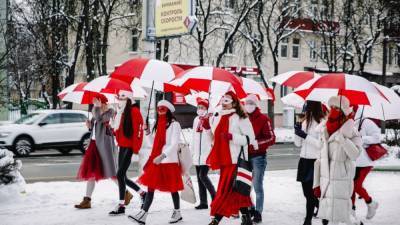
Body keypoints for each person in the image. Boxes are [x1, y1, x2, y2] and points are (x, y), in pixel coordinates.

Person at [129, 100, 184, 224]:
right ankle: (143, 214)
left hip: (169, 160)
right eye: (158, 108)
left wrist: (162, 155)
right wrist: (147, 132)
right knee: (151, 188)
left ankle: (177, 212)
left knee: (173, 188)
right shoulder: (158, 123)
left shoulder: (175, 124)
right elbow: (153, 143)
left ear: (168, 110)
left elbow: (174, 143)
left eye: (163, 108)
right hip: (156, 159)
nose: (160, 110)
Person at [207, 91, 256, 225]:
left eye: (226, 102)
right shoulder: (219, 117)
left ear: (234, 103)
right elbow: (213, 137)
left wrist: (232, 137)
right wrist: (208, 126)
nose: (223, 104)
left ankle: (216, 219)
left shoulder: (241, 118)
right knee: (235, 191)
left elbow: (249, 139)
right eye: (222, 101)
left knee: (227, 191)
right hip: (224, 161)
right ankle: (246, 217)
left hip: (235, 161)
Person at [313, 95, 363, 225]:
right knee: (331, 216)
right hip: (326, 181)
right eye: (332, 107)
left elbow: (355, 155)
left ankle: (354, 221)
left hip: (341, 181)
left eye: (337, 107)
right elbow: (319, 159)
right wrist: (316, 183)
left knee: (339, 216)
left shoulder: (352, 131)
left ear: (344, 111)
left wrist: (343, 139)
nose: (334, 110)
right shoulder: (325, 130)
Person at [75, 96, 118, 209]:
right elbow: (96, 126)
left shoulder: (110, 112)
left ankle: (126, 193)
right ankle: (87, 200)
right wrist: (90, 126)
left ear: (104, 103)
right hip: (94, 145)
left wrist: (97, 108)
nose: (96, 104)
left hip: (104, 146)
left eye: (98, 102)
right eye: (94, 103)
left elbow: (100, 119)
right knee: (91, 173)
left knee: (111, 173)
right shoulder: (97, 111)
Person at [109, 91, 146, 216]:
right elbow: (118, 130)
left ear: (129, 100)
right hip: (122, 146)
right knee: (122, 176)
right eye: (119, 98)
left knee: (119, 175)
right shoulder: (121, 112)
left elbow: (138, 132)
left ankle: (121, 205)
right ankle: (142, 194)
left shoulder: (135, 112)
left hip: (130, 147)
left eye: (122, 99)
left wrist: (135, 150)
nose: (120, 101)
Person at [243, 94, 275, 223]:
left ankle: (258, 212)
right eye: (247, 102)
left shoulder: (263, 119)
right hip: (244, 156)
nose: (248, 105)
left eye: (251, 103)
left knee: (257, 186)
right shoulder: (242, 118)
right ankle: (250, 208)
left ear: (256, 104)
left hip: (258, 157)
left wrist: (256, 143)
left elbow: (272, 138)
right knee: (245, 186)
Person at [294, 101, 326, 225]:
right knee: (306, 193)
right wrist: (297, 132)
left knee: (311, 193)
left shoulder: (322, 123)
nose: (305, 110)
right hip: (304, 160)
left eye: (307, 107)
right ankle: (320, 207)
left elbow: (321, 144)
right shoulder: (305, 122)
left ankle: (308, 220)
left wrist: (305, 136)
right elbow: (298, 144)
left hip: (315, 161)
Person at [352, 111, 380, 220]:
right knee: (351, 187)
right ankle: (352, 211)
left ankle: (371, 202)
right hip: (352, 160)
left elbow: (377, 137)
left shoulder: (366, 122)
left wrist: (362, 139)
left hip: (365, 161)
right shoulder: (349, 122)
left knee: (356, 186)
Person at [191, 98, 216, 210]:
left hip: (207, 153)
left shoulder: (211, 118)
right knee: (199, 178)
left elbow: (213, 135)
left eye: (203, 108)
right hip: (197, 154)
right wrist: (192, 152)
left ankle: (215, 197)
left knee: (203, 176)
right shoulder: (196, 119)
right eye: (199, 107)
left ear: (207, 109)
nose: (200, 109)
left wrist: (208, 122)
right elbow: (194, 136)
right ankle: (203, 202)